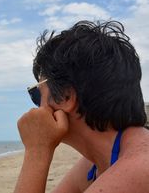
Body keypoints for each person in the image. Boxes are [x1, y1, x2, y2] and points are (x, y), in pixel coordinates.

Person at [14, 21, 149, 193]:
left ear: (66, 97)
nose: (37, 108)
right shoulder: (99, 161)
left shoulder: (137, 169)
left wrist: (36, 151)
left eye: (37, 94)